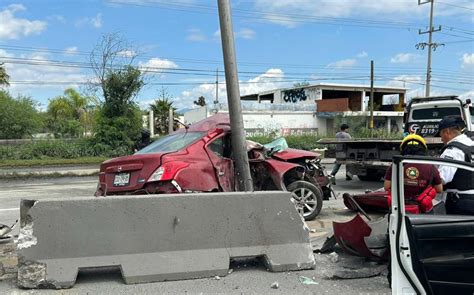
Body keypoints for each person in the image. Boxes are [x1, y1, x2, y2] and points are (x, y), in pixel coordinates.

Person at [384, 134, 443, 213]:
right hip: (423, 211)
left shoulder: (395, 166)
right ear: (423, 149)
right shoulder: (431, 168)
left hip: (399, 209)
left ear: (403, 149)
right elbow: (439, 189)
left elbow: (387, 187)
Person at [437, 116, 474, 215]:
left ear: (447, 132)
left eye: (441, 134)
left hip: (461, 203)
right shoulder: (471, 145)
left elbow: (442, 179)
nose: (441, 139)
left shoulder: (452, 151)